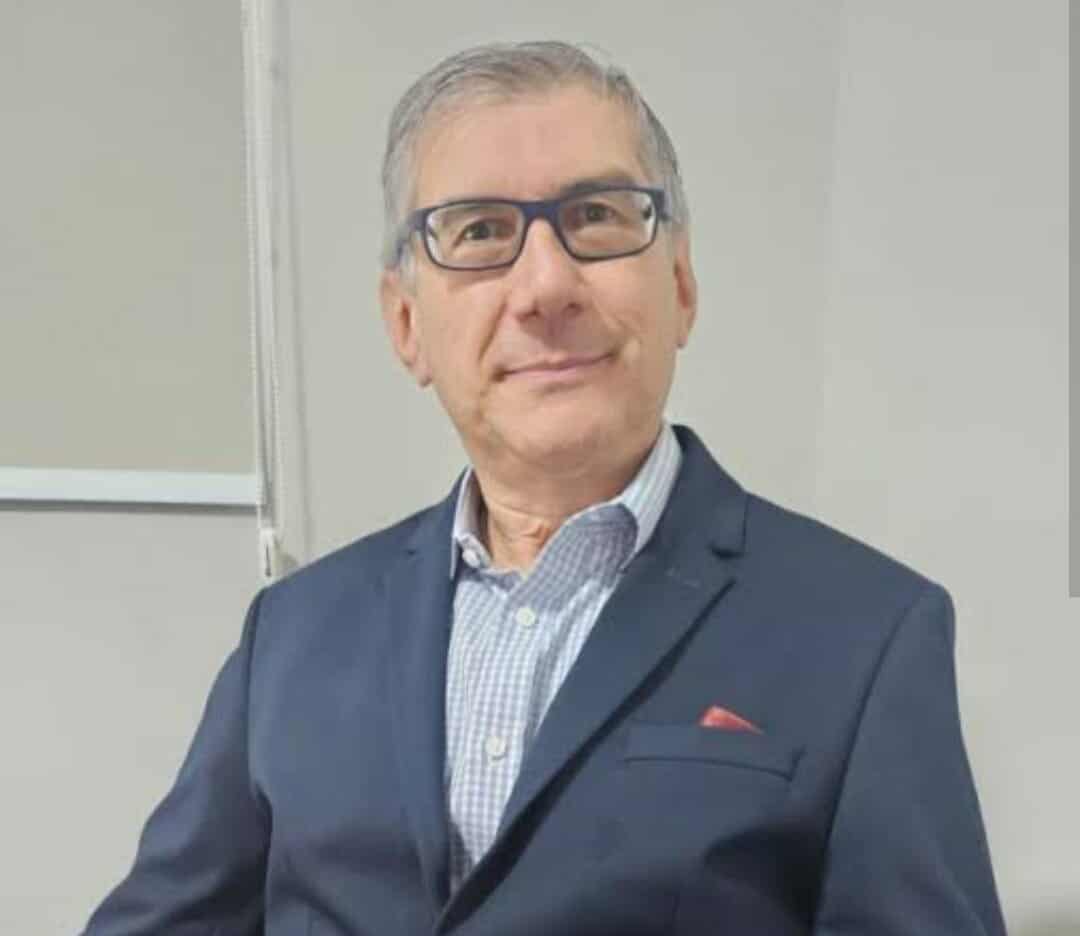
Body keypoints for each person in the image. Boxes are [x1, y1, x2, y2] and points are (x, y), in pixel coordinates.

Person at [85, 40, 1006, 935]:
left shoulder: (866, 634)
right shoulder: (292, 634)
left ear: (681, 286)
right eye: (480, 232)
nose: (545, 285)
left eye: (597, 216)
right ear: (406, 325)